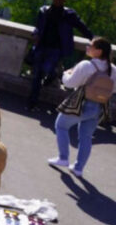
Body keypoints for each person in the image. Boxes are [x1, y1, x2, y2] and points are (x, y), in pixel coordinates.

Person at [48, 37, 115, 177]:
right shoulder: (113, 69)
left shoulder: (86, 65)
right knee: (86, 136)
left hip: (81, 104)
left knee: (61, 125)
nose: (87, 48)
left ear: (99, 51)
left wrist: (66, 74)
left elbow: (69, 84)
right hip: (99, 107)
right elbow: (113, 89)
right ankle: (78, 168)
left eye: (90, 46)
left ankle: (63, 158)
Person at [27, 0, 93, 109]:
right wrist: (35, 34)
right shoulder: (43, 11)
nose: (58, 0)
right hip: (42, 46)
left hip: (56, 48)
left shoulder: (69, 15)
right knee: (37, 74)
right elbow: (38, 26)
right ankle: (32, 102)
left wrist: (92, 38)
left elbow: (81, 26)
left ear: (64, 0)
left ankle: (53, 75)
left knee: (46, 69)